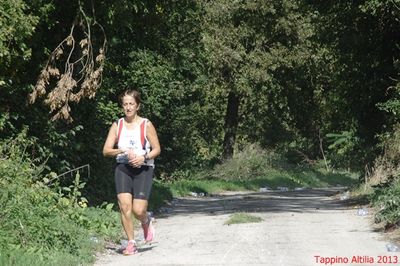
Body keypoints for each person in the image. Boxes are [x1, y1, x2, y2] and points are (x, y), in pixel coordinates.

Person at [103, 89, 161, 255]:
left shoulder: (146, 125)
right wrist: (120, 150)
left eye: (131, 104)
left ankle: (146, 220)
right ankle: (131, 242)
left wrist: (144, 157)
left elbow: (157, 149)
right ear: (122, 106)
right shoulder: (117, 125)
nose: (128, 107)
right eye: (125, 104)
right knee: (124, 206)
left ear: (138, 106)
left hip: (143, 168)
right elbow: (106, 150)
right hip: (123, 168)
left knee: (138, 210)